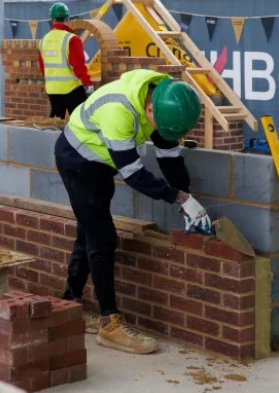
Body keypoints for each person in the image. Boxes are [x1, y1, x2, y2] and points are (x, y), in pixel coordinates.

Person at [55, 69, 209, 355]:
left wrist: (187, 200)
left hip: (101, 161)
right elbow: (134, 176)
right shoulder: (119, 110)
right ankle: (110, 325)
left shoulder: (165, 97)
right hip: (79, 160)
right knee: (102, 237)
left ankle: (70, 302)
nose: (162, 135)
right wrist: (177, 197)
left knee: (88, 231)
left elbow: (170, 157)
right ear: (150, 109)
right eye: (160, 127)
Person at [38, 2, 93, 119]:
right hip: (72, 89)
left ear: (52, 19)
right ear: (67, 19)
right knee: (81, 122)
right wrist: (87, 83)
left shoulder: (44, 40)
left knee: (56, 124)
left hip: (52, 90)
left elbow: (43, 68)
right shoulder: (71, 39)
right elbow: (78, 66)